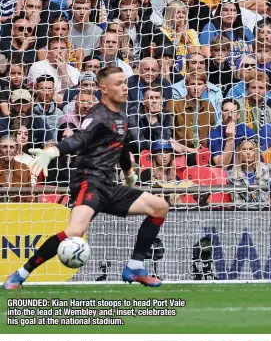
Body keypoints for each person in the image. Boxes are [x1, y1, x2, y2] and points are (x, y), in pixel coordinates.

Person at [3, 66, 168, 289]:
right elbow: (79, 139)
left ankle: (134, 267)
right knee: (74, 232)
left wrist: (129, 174)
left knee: (159, 206)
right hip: (88, 182)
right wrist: (53, 151)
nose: (124, 87)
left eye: (124, 82)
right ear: (104, 89)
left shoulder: (122, 116)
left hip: (107, 184)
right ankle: (22, 273)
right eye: (118, 83)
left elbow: (122, 147)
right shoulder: (97, 116)